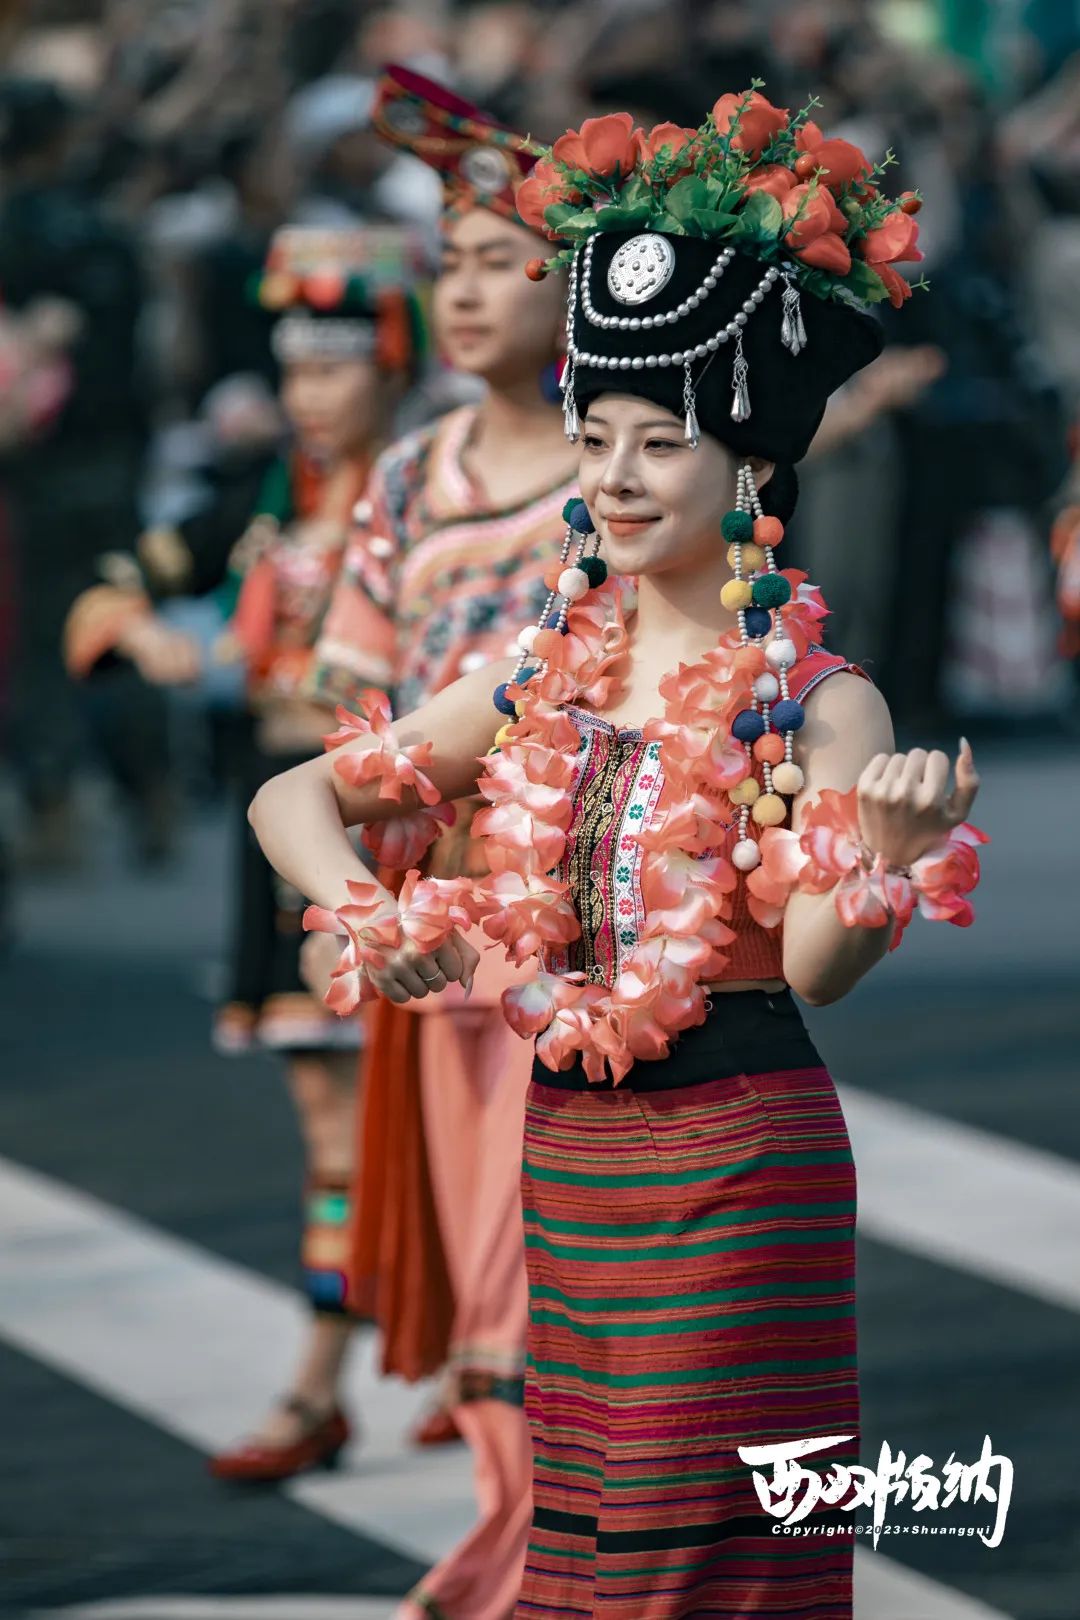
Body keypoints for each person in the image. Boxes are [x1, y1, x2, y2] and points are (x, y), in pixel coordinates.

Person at [248, 91, 987, 1618]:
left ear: (751, 475)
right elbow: (291, 800)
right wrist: (367, 916)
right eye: (598, 440)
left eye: (666, 442)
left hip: (741, 1154)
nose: (620, 476)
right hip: (573, 1156)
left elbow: (820, 975)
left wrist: (884, 866)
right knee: (583, 1558)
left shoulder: (817, 699)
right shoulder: (535, 672)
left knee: (693, 1570)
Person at [73, 223, 427, 1480]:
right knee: (334, 1124)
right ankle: (346, 1379)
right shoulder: (257, 498)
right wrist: (142, 630)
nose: (308, 394)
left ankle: (449, 1354)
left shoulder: (438, 491)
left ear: (394, 363)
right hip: (292, 832)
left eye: (334, 367)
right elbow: (115, 579)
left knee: (448, 1111)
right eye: (295, 370)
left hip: (425, 829)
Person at [298, 65, 577, 1619]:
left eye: (502, 264)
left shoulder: (622, 474)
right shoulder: (413, 474)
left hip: (573, 905)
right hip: (429, 906)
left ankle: (529, 1557)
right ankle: (507, 1525)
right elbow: (350, 681)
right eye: (451, 266)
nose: (466, 295)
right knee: (468, 1243)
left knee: (532, 1246)